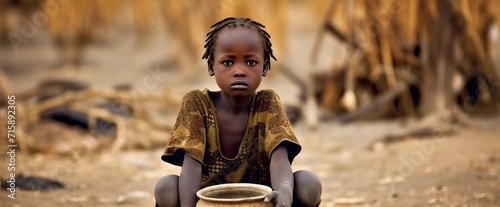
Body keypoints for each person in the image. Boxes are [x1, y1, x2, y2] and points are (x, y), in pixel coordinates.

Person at [154, 17, 322, 207]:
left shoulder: (267, 103)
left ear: (265, 66)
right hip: (210, 202)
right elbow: (191, 165)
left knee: (309, 184)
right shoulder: (197, 104)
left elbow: (279, 158)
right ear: (211, 66)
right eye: (228, 62)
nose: (239, 71)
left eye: (251, 62)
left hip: (259, 200)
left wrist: (284, 191)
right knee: (166, 187)